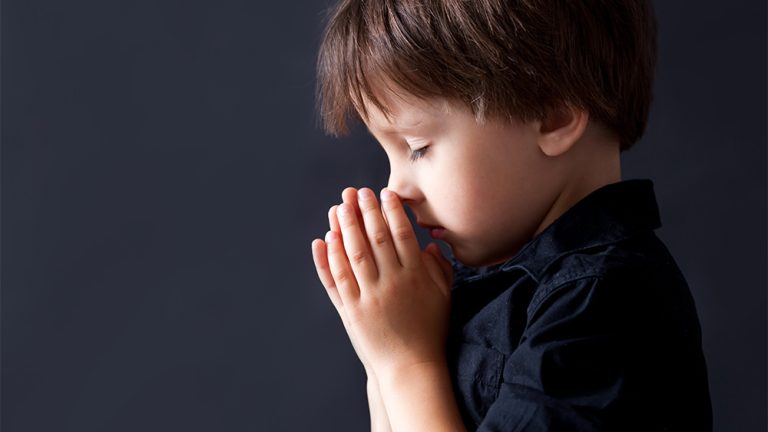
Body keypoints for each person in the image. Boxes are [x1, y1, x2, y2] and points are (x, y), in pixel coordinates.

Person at [309, 1, 712, 430]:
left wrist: (405, 364)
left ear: (553, 116)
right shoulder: (482, 283)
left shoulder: (601, 305)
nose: (395, 189)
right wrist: (380, 356)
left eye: (418, 147)